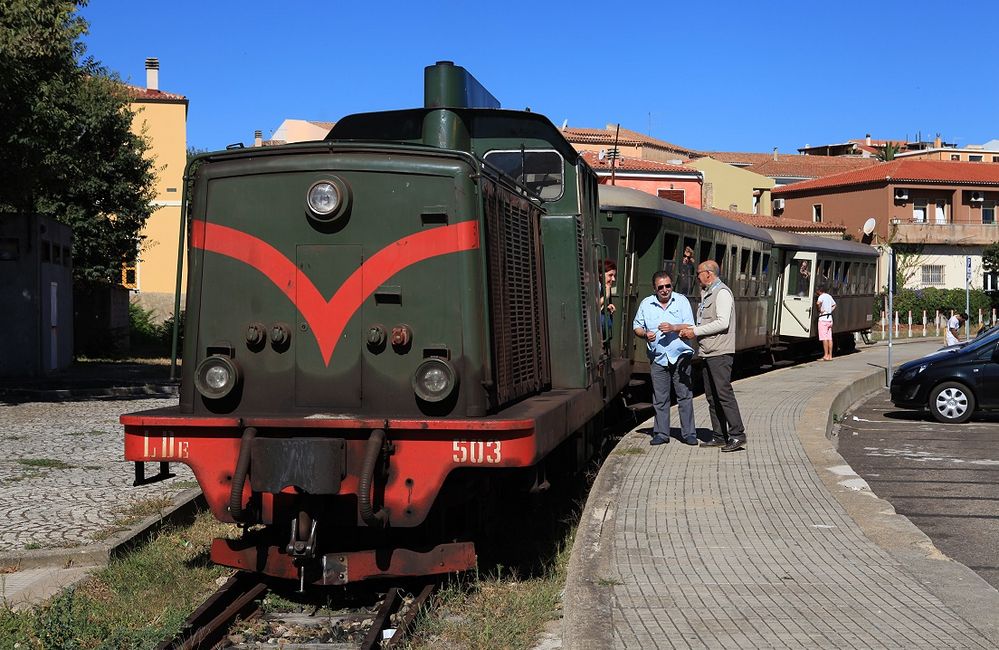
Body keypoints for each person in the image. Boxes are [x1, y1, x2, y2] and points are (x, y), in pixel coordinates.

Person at [679, 260, 747, 452]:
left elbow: (722, 323)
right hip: (708, 352)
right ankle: (719, 435)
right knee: (712, 396)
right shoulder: (708, 292)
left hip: (720, 352)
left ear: (709, 273)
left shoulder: (722, 293)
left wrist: (696, 331)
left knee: (724, 394)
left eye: (699, 273)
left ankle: (737, 434)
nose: (697, 276)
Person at [632, 271, 697, 446]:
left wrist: (674, 327)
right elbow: (637, 326)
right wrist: (646, 334)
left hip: (680, 356)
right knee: (660, 398)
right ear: (655, 288)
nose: (665, 290)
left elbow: (691, 325)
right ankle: (661, 433)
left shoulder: (681, 301)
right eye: (661, 287)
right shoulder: (646, 304)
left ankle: (689, 433)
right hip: (658, 357)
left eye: (668, 286)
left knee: (684, 395)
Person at [816, 284, 837, 360]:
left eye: (817, 290)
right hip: (830, 319)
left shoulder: (821, 297)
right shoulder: (829, 296)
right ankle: (830, 356)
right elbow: (834, 305)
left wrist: (820, 310)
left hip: (823, 319)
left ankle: (825, 355)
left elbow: (818, 303)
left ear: (819, 291)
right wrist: (830, 311)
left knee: (824, 338)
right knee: (829, 338)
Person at [599, 260, 617, 346]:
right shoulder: (594, 285)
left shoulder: (603, 286)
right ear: (600, 274)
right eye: (610, 275)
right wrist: (606, 296)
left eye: (614, 275)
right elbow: (591, 306)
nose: (613, 279)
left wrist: (606, 307)